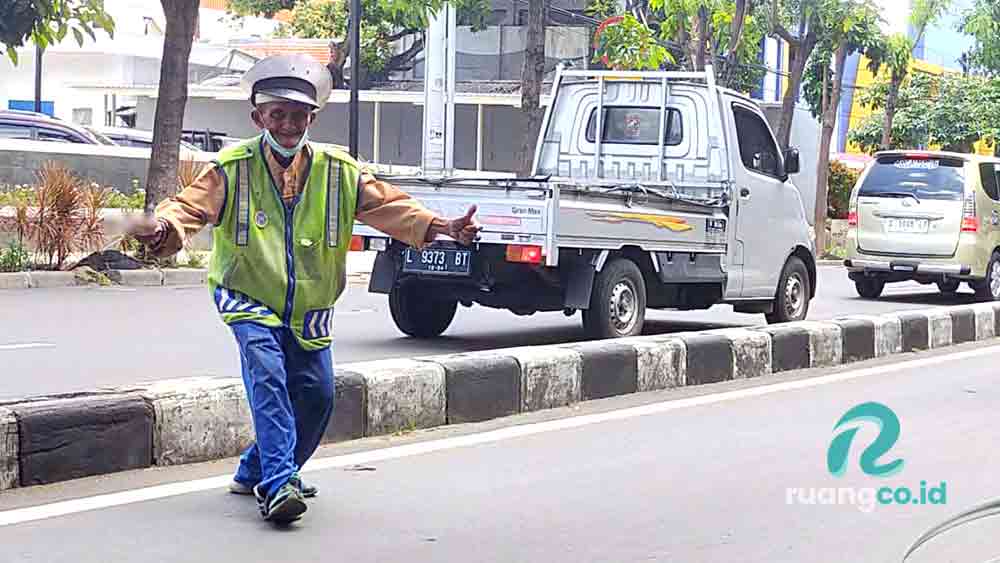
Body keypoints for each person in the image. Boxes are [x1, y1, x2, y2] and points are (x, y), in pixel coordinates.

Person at [126, 54, 480, 524]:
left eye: (298, 115)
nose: (288, 124)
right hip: (246, 295)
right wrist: (160, 230)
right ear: (259, 118)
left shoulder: (340, 170)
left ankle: (257, 469)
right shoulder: (231, 167)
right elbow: (187, 210)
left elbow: (392, 208)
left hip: (310, 306)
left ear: (312, 118)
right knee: (269, 378)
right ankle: (278, 484)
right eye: (278, 114)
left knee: (317, 396)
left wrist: (444, 227)